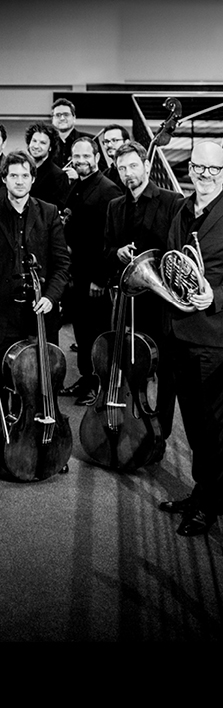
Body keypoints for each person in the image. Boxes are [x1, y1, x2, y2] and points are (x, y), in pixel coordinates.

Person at [0, 151, 70, 477]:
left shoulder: (49, 213)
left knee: (42, 384)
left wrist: (51, 297)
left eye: (25, 175)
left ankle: (48, 446)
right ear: (4, 179)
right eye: (13, 175)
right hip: (0, 315)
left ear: (33, 178)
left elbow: (61, 265)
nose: (20, 181)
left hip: (39, 314)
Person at [156, 142, 223, 537]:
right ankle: (202, 490)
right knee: (195, 426)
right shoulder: (182, 208)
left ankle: (210, 504)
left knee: (214, 428)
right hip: (178, 333)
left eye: (214, 169)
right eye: (199, 166)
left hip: (212, 338)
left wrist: (216, 295)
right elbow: (172, 260)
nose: (205, 174)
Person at [102, 141, 184, 439]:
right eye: (122, 168)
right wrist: (118, 252)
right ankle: (133, 425)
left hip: (161, 302)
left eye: (133, 166)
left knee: (165, 371)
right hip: (128, 302)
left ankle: (160, 433)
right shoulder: (115, 206)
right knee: (129, 366)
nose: (128, 174)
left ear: (147, 166)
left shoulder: (172, 201)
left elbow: (177, 252)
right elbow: (106, 249)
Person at [59, 135, 121, 405]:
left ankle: (98, 387)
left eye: (87, 155)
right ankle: (86, 379)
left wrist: (100, 278)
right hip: (77, 274)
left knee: (96, 334)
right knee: (82, 333)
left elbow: (110, 239)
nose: (81, 160)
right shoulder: (77, 185)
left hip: (95, 278)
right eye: (77, 156)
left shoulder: (108, 190)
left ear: (97, 157)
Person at [25, 122, 70, 208]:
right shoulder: (22, 169)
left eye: (42, 143)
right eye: (34, 141)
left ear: (50, 147)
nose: (36, 146)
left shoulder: (58, 176)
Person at [50, 98, 90, 176]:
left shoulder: (89, 140)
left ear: (74, 117)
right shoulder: (47, 142)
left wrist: (80, 177)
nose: (62, 118)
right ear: (53, 119)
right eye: (58, 115)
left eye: (66, 114)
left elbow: (101, 172)